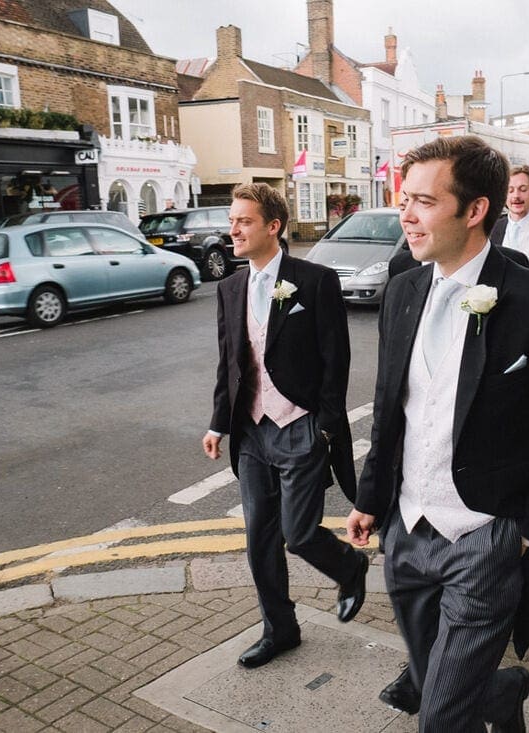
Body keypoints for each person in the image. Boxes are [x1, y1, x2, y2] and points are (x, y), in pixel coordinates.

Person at [347, 136, 529, 731]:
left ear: (475, 209)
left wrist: (527, 530)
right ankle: (502, 692)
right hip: (405, 532)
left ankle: (488, 693)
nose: (407, 216)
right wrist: (370, 497)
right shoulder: (403, 289)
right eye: (405, 201)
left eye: (424, 202)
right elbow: (390, 409)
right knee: (440, 680)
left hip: (485, 537)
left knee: (439, 718)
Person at [202, 182, 368, 669]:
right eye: (232, 221)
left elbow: (336, 360)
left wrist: (326, 425)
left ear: (273, 226)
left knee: (299, 534)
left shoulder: (315, 281)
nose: (234, 230)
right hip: (251, 431)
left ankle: (349, 566)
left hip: (300, 424)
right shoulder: (230, 288)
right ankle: (280, 629)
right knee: (260, 540)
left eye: (244, 221)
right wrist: (218, 424)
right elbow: (230, 364)